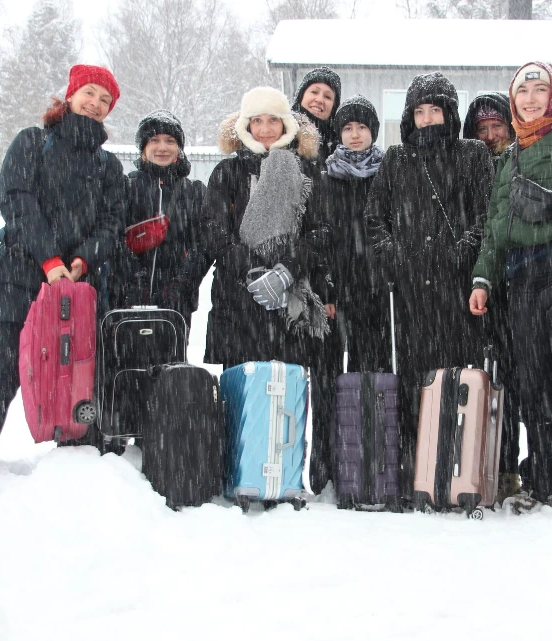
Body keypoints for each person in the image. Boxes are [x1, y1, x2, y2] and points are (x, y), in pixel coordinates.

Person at [0, 65, 127, 487]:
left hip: (77, 287)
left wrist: (82, 261)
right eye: (89, 93)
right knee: (5, 371)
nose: (95, 104)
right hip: (22, 276)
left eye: (105, 100)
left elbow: (112, 223)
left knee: (77, 374)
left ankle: (71, 468)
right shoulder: (32, 142)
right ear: (70, 95)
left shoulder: (108, 166)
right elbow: (17, 201)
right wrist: (48, 260)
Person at [469, 61, 552, 512]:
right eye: (522, 91)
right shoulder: (510, 158)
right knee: (532, 384)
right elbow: (495, 228)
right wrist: (483, 278)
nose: (530, 99)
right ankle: (543, 476)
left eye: (540, 89)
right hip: (521, 281)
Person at [365, 72, 493, 500]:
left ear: (449, 112)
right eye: (419, 111)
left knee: (456, 378)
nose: (427, 119)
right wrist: (393, 256)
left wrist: (461, 253)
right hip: (409, 291)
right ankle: (414, 470)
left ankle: (454, 469)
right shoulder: (396, 159)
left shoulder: (473, 156)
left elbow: (486, 216)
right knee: (411, 379)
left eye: (435, 110)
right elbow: (375, 218)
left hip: (457, 289)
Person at [203, 86, 330, 371]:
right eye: (257, 120)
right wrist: (253, 270)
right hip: (237, 303)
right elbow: (213, 228)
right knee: (241, 390)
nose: (265, 129)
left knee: (285, 389)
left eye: (273, 120)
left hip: (289, 301)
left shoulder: (306, 171)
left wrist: (287, 271)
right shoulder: (227, 172)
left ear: (285, 123)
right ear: (246, 124)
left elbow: (321, 230)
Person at [311, 95, 387, 494]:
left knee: (368, 377)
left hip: (374, 294)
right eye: (347, 128)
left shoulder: (387, 174)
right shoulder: (326, 178)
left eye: (362, 127)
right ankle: (324, 463)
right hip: (333, 295)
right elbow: (319, 237)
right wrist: (326, 287)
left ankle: (364, 463)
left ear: (373, 131)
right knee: (326, 381)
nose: (355, 135)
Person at [462, 92, 521, 504]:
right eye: (481, 129)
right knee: (476, 380)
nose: (489, 135)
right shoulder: (466, 165)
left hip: (512, 281)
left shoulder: (519, 162)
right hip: (471, 285)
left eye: (496, 126)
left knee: (509, 381)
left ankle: (506, 467)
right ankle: (471, 464)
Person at [114, 110, 209, 325]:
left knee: (172, 347)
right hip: (126, 298)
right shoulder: (126, 187)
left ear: (179, 148)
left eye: (170, 140)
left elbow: (203, 245)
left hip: (175, 304)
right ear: (143, 148)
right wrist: (132, 278)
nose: (162, 147)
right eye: (154, 140)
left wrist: (182, 283)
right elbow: (113, 236)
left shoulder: (194, 192)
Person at [291, 66, 342, 165]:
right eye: (314, 92)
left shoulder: (340, 148)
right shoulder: (281, 132)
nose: (319, 100)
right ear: (301, 96)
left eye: (327, 97)